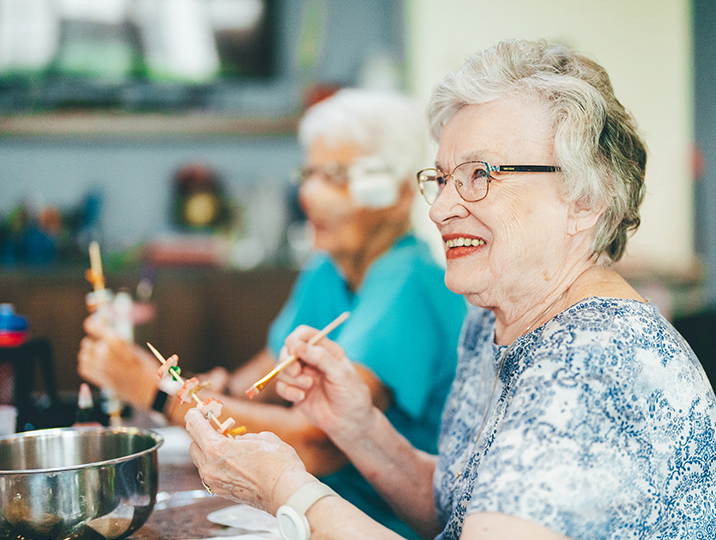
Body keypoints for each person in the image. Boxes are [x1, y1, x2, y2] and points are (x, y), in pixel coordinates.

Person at [184, 39, 716, 540]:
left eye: (480, 175)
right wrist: (358, 427)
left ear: (586, 200)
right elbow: (458, 512)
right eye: (442, 179)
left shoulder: (591, 366)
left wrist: (286, 489)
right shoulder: (495, 320)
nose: (442, 208)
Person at [77, 88, 467, 540]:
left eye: (336, 177)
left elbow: (317, 443)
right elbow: (255, 383)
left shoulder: (408, 282)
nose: (309, 195)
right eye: (309, 173)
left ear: (398, 195)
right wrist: (207, 391)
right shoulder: (328, 267)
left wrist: (157, 390)